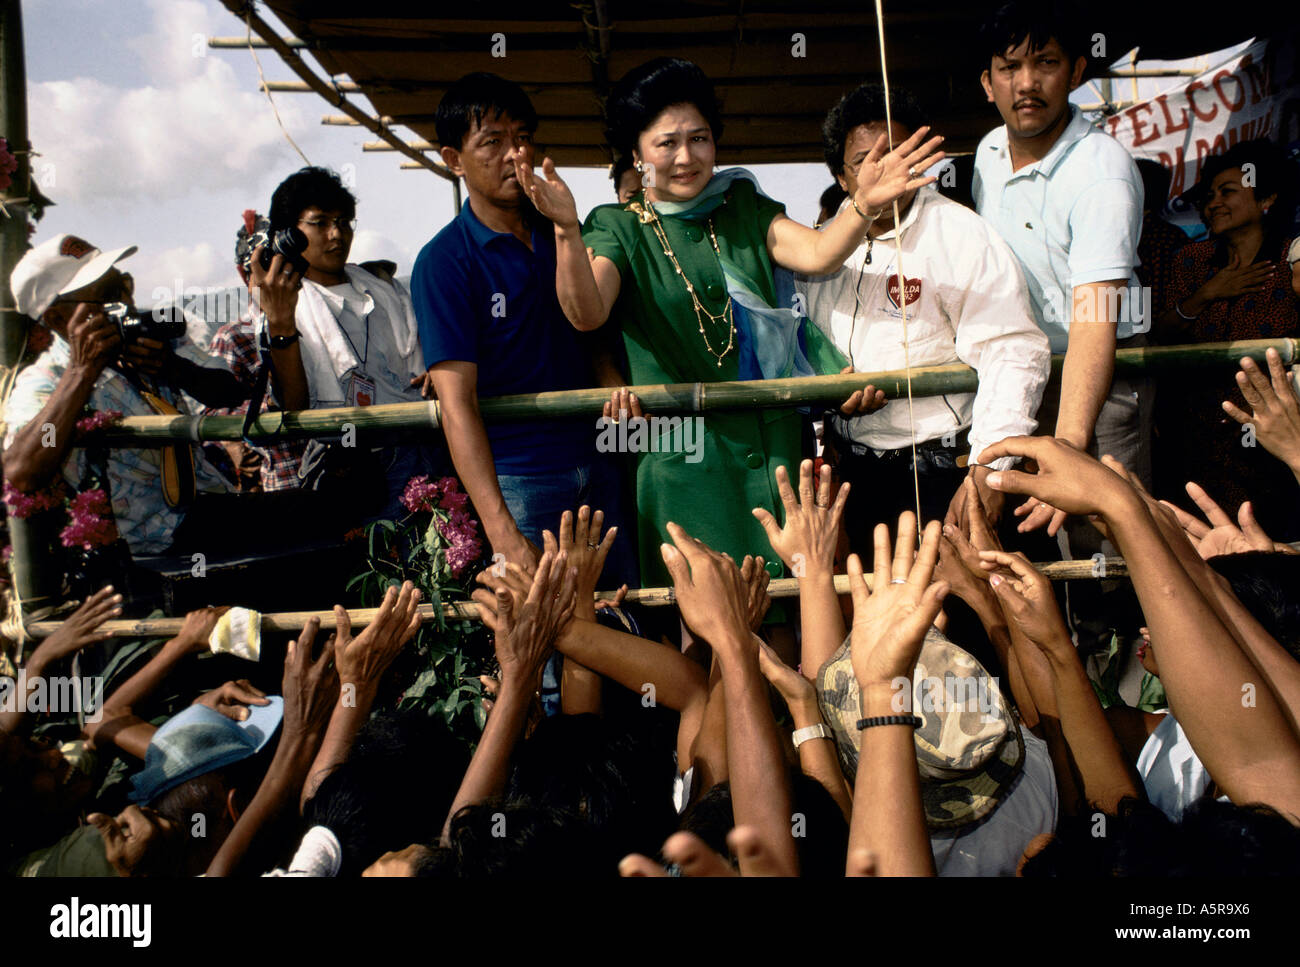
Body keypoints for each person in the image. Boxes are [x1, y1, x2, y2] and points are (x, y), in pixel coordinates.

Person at [519, 56, 943, 591]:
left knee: (792, 615)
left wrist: (860, 204)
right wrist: (564, 231)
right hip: (683, 459)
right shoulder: (616, 227)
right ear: (636, 153)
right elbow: (587, 311)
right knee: (703, 628)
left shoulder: (744, 203)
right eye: (666, 143)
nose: (685, 157)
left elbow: (818, 255)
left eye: (699, 139)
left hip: (778, 453)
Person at [797, 82, 1050, 540]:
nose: (885, 171)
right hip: (860, 478)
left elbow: (1013, 351)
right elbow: (799, 342)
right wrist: (829, 388)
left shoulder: (961, 235)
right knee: (879, 606)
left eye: (899, 154)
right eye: (865, 162)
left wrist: (986, 471)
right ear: (841, 176)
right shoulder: (820, 247)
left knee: (973, 603)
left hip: (947, 472)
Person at [412, 73, 634, 586]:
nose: (516, 154)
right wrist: (501, 531)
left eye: (524, 137)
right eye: (492, 141)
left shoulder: (560, 228)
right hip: (521, 480)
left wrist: (608, 378)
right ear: (453, 159)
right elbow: (456, 403)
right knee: (548, 640)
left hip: (602, 464)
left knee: (623, 619)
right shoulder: (444, 261)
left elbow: (590, 326)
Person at [972, 1, 1151, 533]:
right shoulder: (985, 153)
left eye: (1045, 63)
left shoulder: (1103, 171)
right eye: (1009, 68)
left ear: (1075, 72)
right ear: (988, 82)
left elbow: (1095, 318)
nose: (1026, 83)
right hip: (1020, 371)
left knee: (1104, 536)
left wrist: (1069, 445)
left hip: (1101, 372)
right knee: (1022, 542)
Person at [3, 234, 243, 557]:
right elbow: (23, 471)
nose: (124, 304)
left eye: (123, 287)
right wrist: (80, 373)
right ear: (58, 319)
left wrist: (173, 368)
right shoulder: (47, 380)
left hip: (211, 508)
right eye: (107, 297)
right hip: (147, 547)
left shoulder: (143, 335)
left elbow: (229, 391)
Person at [254, 166, 437, 522]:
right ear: (289, 235)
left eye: (344, 221)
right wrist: (279, 321)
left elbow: (422, 356)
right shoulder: (284, 305)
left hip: (422, 445)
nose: (336, 234)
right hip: (354, 463)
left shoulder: (384, 287)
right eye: (319, 223)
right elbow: (294, 404)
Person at [1152, 141, 1300, 538]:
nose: (1213, 203)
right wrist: (1206, 294)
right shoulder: (1191, 261)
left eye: (1228, 192)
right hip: (1194, 440)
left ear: (1266, 197)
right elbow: (1159, 335)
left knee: (1272, 551)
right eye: (1210, 195)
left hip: (1270, 442)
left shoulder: (1291, 261)